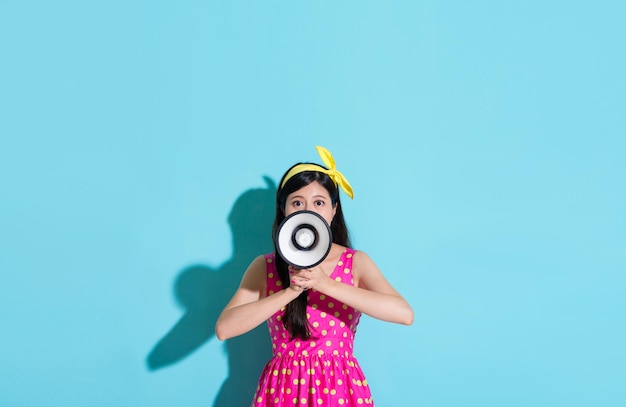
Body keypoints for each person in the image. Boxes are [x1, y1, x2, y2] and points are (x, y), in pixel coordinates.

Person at [215, 146, 414, 406]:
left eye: (319, 202)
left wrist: (325, 284)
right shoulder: (265, 266)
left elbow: (403, 313)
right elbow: (224, 328)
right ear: (284, 209)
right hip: (282, 391)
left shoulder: (355, 262)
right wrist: (290, 291)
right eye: (297, 202)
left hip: (339, 391)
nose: (308, 210)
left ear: (333, 210)